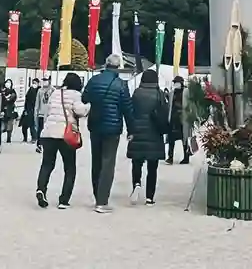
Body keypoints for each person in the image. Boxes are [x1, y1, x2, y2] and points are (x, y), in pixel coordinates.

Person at [81, 53, 132, 213]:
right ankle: (102, 201)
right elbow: (127, 108)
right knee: (108, 163)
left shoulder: (94, 80)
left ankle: (97, 195)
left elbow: (84, 98)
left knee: (96, 162)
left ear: (105, 64)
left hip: (95, 125)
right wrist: (131, 130)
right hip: (112, 128)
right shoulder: (121, 84)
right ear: (118, 67)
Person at [36, 72, 89, 210]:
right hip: (65, 135)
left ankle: (41, 189)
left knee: (47, 164)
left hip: (48, 133)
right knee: (70, 168)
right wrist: (89, 105)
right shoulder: (75, 95)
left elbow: (48, 112)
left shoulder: (55, 93)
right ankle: (63, 200)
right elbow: (81, 111)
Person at [126, 68, 168, 205]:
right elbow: (164, 113)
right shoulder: (159, 94)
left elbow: (130, 112)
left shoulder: (136, 93)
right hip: (154, 134)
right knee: (152, 167)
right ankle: (149, 197)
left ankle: (136, 184)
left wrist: (130, 130)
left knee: (136, 163)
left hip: (137, 132)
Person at [165, 75, 191, 165]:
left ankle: (186, 157)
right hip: (173, 119)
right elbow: (169, 104)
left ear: (181, 83)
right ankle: (170, 157)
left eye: (177, 82)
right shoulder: (172, 92)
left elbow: (190, 104)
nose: (175, 84)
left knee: (185, 139)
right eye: (175, 82)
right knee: (171, 139)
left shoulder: (186, 92)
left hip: (183, 119)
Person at [35, 77, 52, 153]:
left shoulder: (53, 90)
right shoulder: (40, 90)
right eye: (43, 80)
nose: (44, 82)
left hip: (49, 115)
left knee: (48, 131)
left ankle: (47, 146)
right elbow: (37, 103)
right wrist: (36, 113)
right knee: (40, 130)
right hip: (41, 114)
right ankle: (39, 145)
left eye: (46, 80)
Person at [0, 79, 19, 144]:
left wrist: (9, 98)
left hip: (11, 110)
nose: (8, 84)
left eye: (9, 82)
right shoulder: (2, 91)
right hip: (3, 110)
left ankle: (9, 138)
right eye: (7, 82)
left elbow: (13, 98)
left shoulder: (13, 91)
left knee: (10, 125)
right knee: (3, 125)